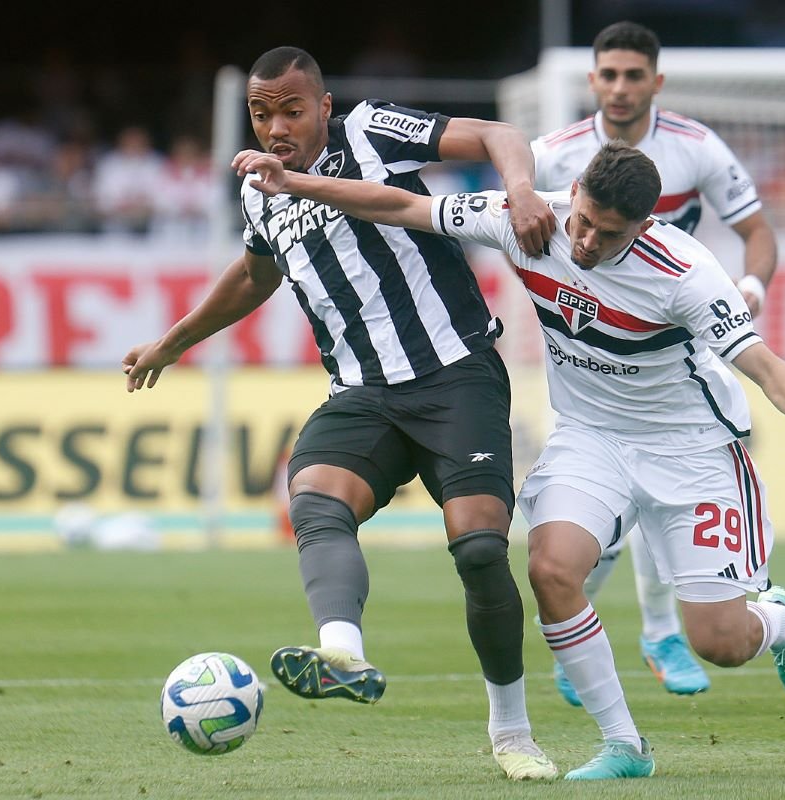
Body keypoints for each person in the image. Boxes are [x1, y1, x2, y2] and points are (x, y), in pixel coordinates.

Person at [233, 140, 785, 780]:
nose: (585, 243)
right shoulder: (529, 218)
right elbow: (401, 205)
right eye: (583, 222)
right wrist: (295, 184)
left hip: (691, 450)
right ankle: (624, 744)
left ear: (646, 225)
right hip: (591, 436)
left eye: (609, 235)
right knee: (551, 569)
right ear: (574, 192)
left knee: (719, 643)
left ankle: (779, 621)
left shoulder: (687, 275)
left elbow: (762, 361)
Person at [122, 46, 559, 782]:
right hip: (362, 392)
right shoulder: (262, 191)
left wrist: (519, 189)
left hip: (456, 375)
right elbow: (256, 275)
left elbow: (497, 136)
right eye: (262, 114)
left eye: (291, 109)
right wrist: (173, 342)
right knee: (315, 499)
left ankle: (512, 733)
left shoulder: (373, 131)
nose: (276, 126)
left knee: (481, 551)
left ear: (323, 107)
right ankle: (341, 652)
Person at [529, 20, 781, 702]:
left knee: (658, 476)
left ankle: (664, 630)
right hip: (591, 337)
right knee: (603, 500)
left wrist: (749, 287)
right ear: (591, 82)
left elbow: (756, 229)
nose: (619, 88)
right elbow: (514, 216)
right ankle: (609, 630)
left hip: (678, 330)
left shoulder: (695, 148)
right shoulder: (554, 154)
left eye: (633, 75)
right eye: (607, 75)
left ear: (656, 83)